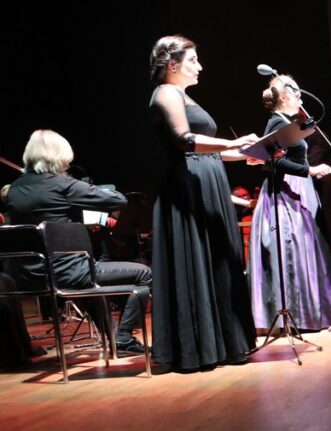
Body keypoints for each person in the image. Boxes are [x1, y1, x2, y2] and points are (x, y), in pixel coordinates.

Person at [148, 35, 258, 370]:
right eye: (193, 59)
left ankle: (225, 343)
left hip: (203, 181)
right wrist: (233, 142)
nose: (200, 65)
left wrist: (243, 154)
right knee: (200, 261)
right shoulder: (166, 92)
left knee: (219, 262)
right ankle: (200, 348)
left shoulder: (181, 94)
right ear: (173, 65)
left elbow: (209, 153)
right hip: (188, 189)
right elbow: (185, 141)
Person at [6, 130, 150, 355]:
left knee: (85, 279)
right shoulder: (63, 184)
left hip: (28, 275)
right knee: (144, 274)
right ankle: (122, 336)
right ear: (59, 156)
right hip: (67, 272)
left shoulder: (14, 189)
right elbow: (119, 200)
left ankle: (114, 337)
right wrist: (87, 192)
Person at [249, 74, 331, 332]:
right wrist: (310, 170)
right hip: (285, 196)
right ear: (285, 96)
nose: (300, 98)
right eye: (297, 93)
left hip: (296, 191)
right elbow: (275, 161)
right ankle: (298, 316)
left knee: (306, 252)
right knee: (291, 253)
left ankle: (310, 314)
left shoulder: (287, 122)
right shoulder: (277, 122)